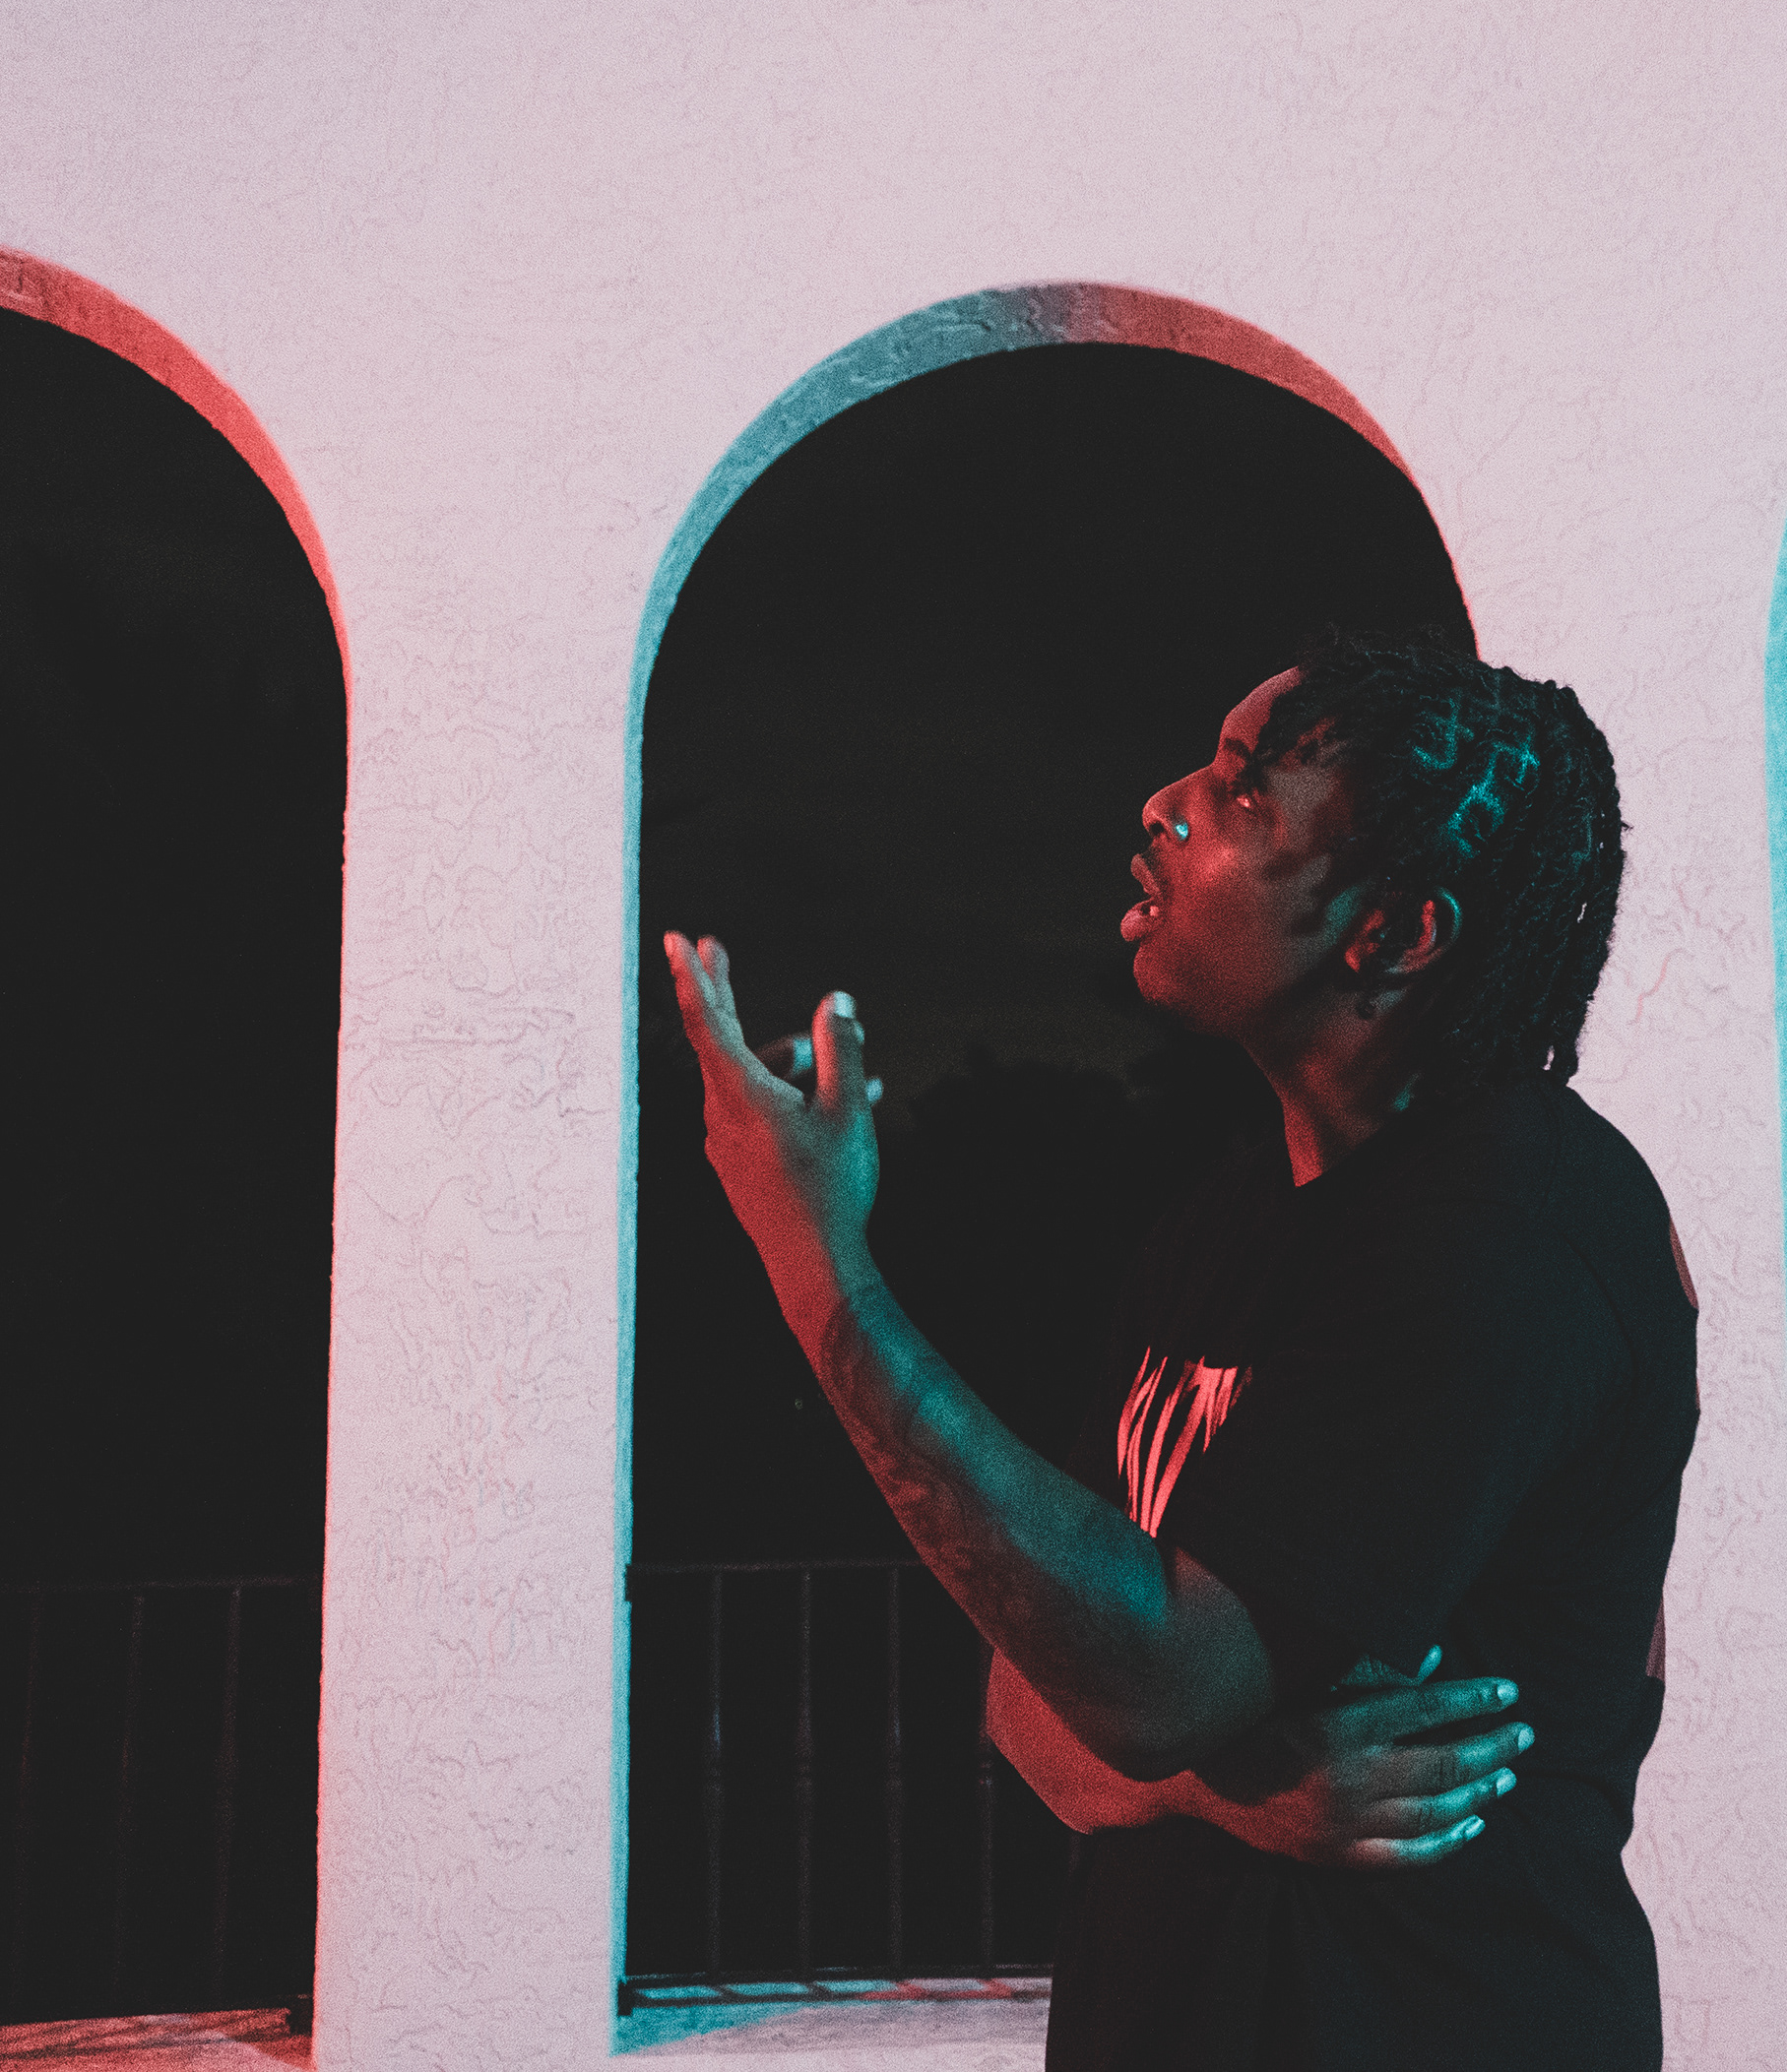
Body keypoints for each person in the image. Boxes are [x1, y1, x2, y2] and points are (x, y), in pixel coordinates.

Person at [666, 627, 1694, 2069]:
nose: (1166, 806)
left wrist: (813, 1262)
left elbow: (1151, 1681)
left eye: (1244, 793)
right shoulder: (1226, 1220)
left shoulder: (1510, 1235)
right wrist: (1223, 1787)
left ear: (1394, 935)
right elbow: (1030, 1691)